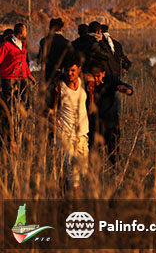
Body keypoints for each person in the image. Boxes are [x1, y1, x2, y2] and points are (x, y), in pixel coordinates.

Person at [46, 51, 91, 192]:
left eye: (73, 70)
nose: (70, 74)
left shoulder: (86, 83)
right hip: (65, 135)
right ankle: (73, 203)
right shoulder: (58, 87)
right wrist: (52, 120)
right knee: (73, 169)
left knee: (83, 170)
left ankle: (63, 191)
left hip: (82, 133)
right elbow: (46, 109)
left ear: (79, 69)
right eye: (67, 70)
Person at [0, 23, 36, 142]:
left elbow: (24, 63)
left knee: (26, 104)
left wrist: (30, 75)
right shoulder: (6, 45)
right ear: (20, 33)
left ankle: (20, 129)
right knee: (10, 107)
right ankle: (10, 134)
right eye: (25, 32)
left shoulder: (23, 46)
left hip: (22, 78)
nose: (26, 34)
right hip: (9, 78)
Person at [40, 18, 71, 83]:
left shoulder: (43, 41)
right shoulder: (65, 43)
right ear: (61, 28)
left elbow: (40, 58)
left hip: (46, 74)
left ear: (50, 28)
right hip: (60, 75)